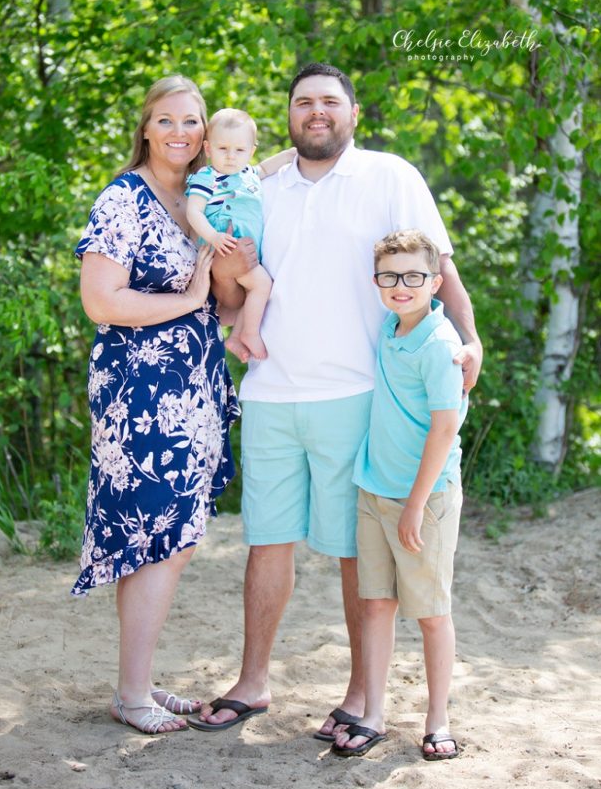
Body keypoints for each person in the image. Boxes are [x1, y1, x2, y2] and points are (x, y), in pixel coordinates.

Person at [188, 62, 482, 736]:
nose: (315, 112)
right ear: (286, 114)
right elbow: (234, 294)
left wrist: (469, 339)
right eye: (301, 103)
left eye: (328, 101)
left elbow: (439, 268)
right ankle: (253, 682)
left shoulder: (390, 176)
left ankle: (358, 694)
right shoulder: (258, 182)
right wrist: (228, 289)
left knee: (356, 553)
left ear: (353, 110)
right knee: (266, 542)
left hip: (356, 393)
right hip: (268, 393)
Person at [73, 74, 240, 735]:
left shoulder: (203, 199)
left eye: (191, 121)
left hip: (195, 386)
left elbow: (222, 304)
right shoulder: (124, 199)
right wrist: (188, 301)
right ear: (145, 127)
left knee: (174, 537)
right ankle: (131, 692)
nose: (179, 132)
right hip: (138, 391)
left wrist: (228, 284)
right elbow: (103, 300)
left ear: (205, 132)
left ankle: (136, 682)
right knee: (151, 538)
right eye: (165, 120)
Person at [331, 229, 467, 761]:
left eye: (414, 277)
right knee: (376, 606)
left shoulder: (439, 345)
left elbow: (444, 427)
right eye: (390, 277)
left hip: (424, 499)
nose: (401, 286)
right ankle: (373, 715)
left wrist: (414, 503)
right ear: (377, 283)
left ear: (435, 282)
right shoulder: (390, 327)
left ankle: (437, 720)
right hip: (374, 489)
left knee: (431, 611)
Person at [186, 108, 295, 361]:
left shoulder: (248, 174)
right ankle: (250, 334)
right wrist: (213, 237)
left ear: (251, 151)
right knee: (262, 284)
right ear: (208, 148)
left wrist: (290, 155)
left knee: (254, 290)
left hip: (245, 252)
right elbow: (194, 212)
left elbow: (266, 168)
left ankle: (236, 337)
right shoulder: (207, 177)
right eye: (223, 149)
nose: (231, 157)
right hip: (223, 247)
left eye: (240, 150)